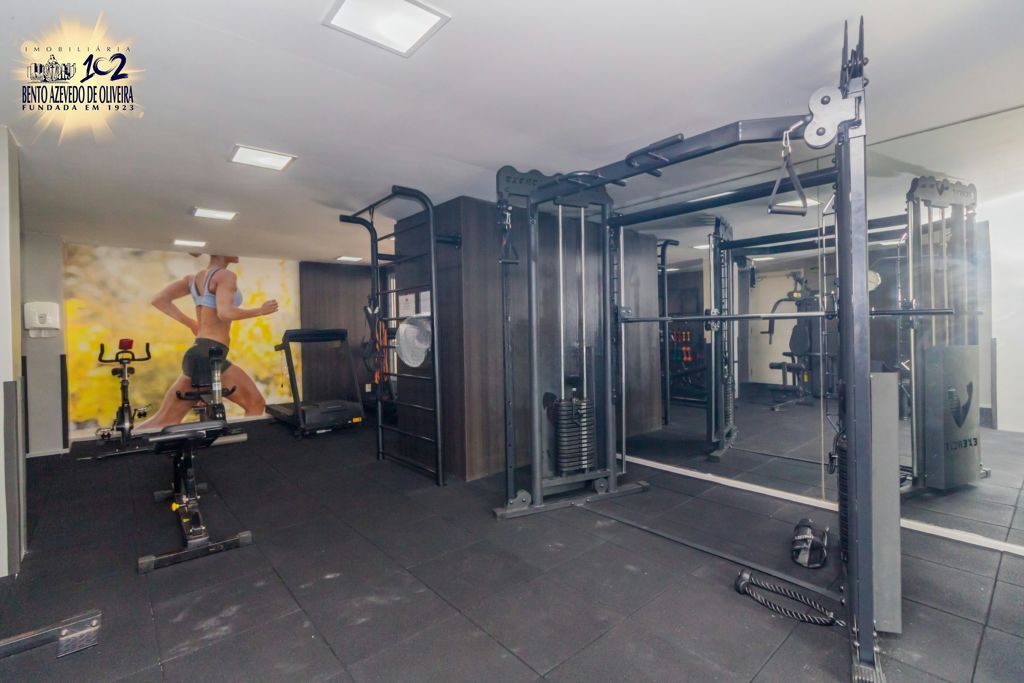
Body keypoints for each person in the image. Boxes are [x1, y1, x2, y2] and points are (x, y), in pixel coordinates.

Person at [139, 254, 278, 429]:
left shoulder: (193, 279)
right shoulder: (225, 276)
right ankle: (245, 447)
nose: (238, 250)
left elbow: (159, 300)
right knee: (255, 403)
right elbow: (225, 313)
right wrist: (260, 311)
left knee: (164, 420)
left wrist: (191, 323)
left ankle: (122, 442)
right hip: (210, 355)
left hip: (199, 353)